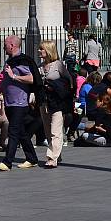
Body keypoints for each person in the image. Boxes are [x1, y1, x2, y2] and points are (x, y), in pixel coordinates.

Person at [0, 35, 41, 171]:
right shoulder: (10, 61)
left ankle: (7, 162)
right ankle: (32, 158)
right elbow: (5, 81)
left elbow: (31, 78)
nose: (3, 47)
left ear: (12, 45)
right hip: (10, 102)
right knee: (21, 132)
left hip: (19, 103)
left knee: (13, 131)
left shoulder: (21, 61)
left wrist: (14, 76)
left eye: (5, 44)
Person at [38, 40, 72, 169]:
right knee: (47, 130)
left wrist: (57, 88)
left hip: (57, 101)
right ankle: (58, 155)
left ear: (48, 51)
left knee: (55, 131)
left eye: (42, 49)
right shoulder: (40, 66)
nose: (39, 51)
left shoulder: (58, 65)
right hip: (44, 101)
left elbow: (68, 81)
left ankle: (52, 158)